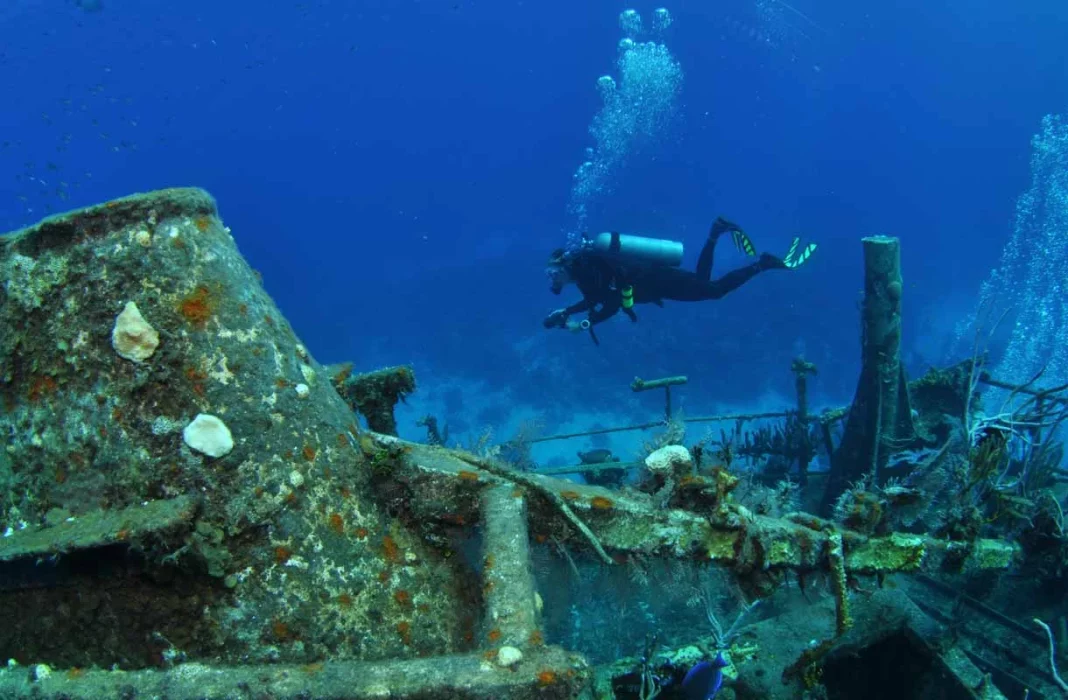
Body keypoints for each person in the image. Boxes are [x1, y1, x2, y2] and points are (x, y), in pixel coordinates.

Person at [543, 217, 816, 342]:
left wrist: (585, 322)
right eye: (551, 276)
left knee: (714, 291)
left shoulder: (588, 271)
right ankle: (715, 233)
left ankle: (762, 264)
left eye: (554, 273)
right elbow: (596, 298)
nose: (554, 279)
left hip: (657, 281)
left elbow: (611, 303)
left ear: (565, 264)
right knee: (703, 282)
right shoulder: (585, 271)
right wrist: (567, 311)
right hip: (654, 280)